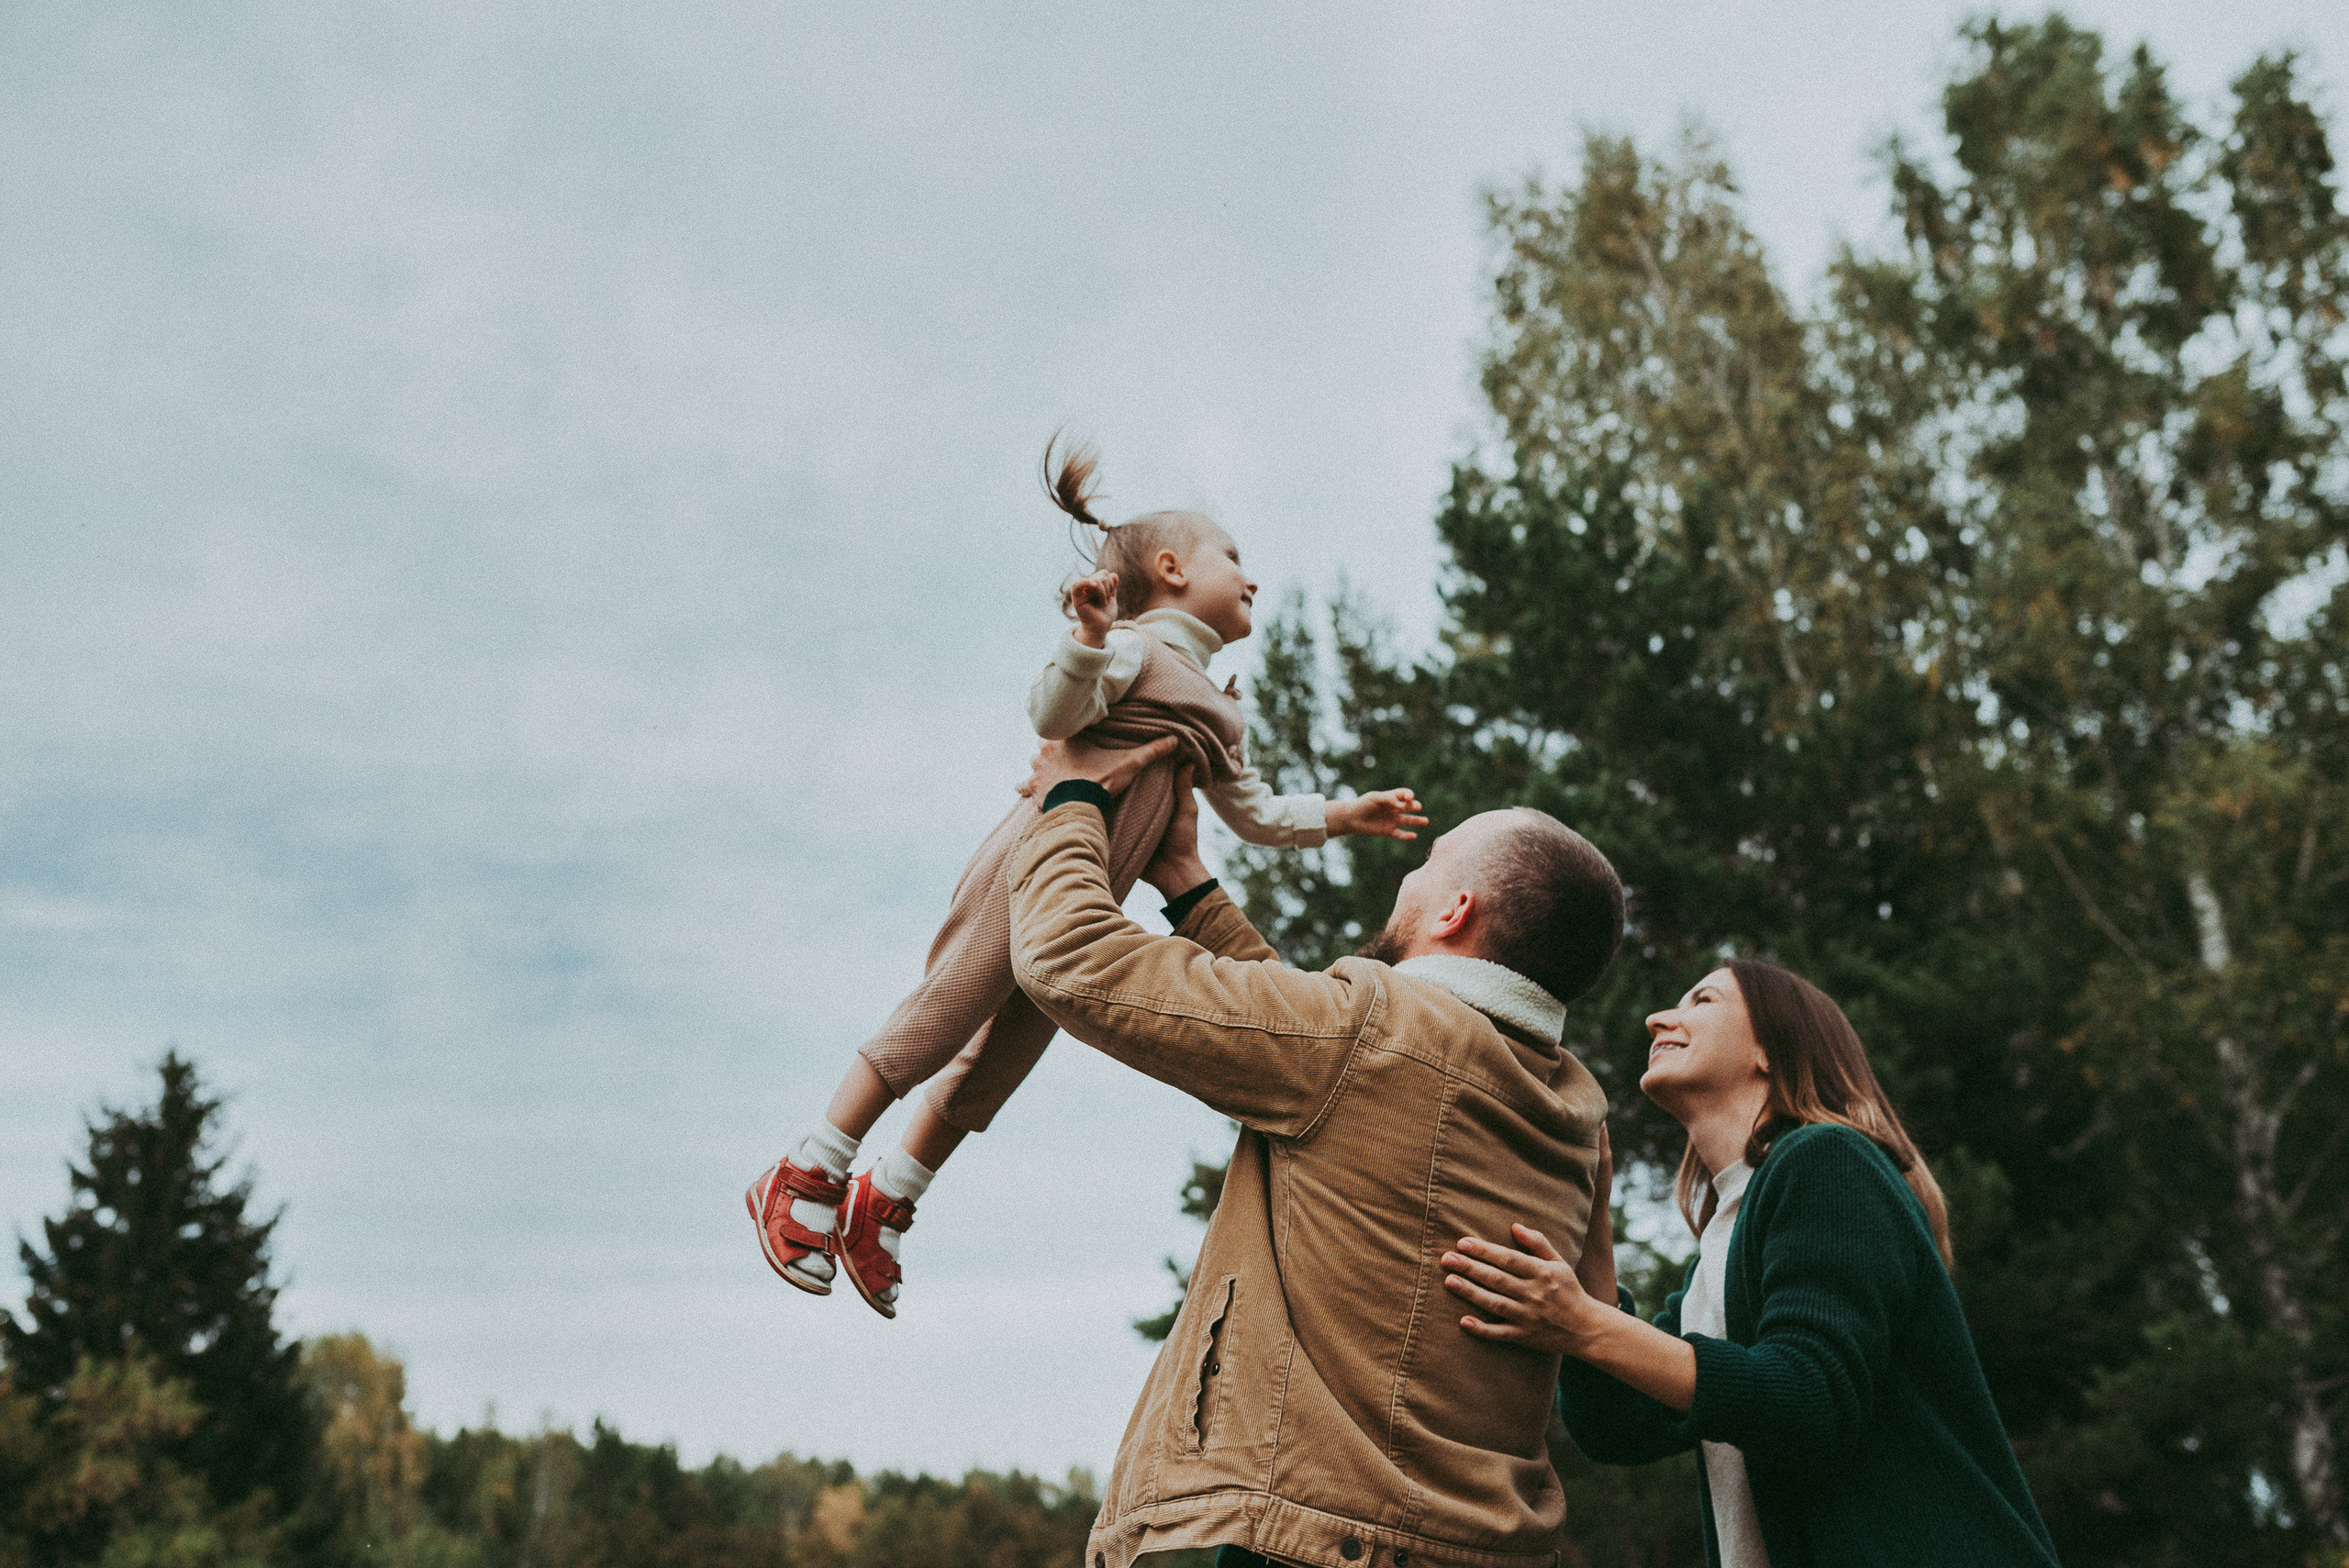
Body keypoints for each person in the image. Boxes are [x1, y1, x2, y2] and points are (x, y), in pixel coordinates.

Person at [745, 439, 1425, 1318]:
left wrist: (1344, 813)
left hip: (1087, 901)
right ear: (1175, 570)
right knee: (946, 1009)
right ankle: (811, 1163)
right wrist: (1089, 639)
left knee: (1005, 1057)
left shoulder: (1219, 705)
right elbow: (1052, 714)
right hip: (1038, 856)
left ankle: (890, 1195)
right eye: (1234, 558)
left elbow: (1251, 813)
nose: (1250, 576)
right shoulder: (1137, 653)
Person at [1005, 737, 1625, 1568]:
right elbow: (1324, 1059)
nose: (1407, 876)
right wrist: (1190, 884)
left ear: (1454, 912)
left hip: (1332, 1541)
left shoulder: (1367, 1040)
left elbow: (1069, 957)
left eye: (1430, 863)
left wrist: (1070, 798)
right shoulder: (1575, 1110)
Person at [1439, 961, 2062, 1568]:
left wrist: (1581, 1324)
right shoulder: (1723, 1239)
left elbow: (1808, 1398)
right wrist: (1594, 1219)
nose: (1658, 1018)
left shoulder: (1829, 1161)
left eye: (1701, 1001)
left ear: (1772, 1048)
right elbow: (1618, 1426)